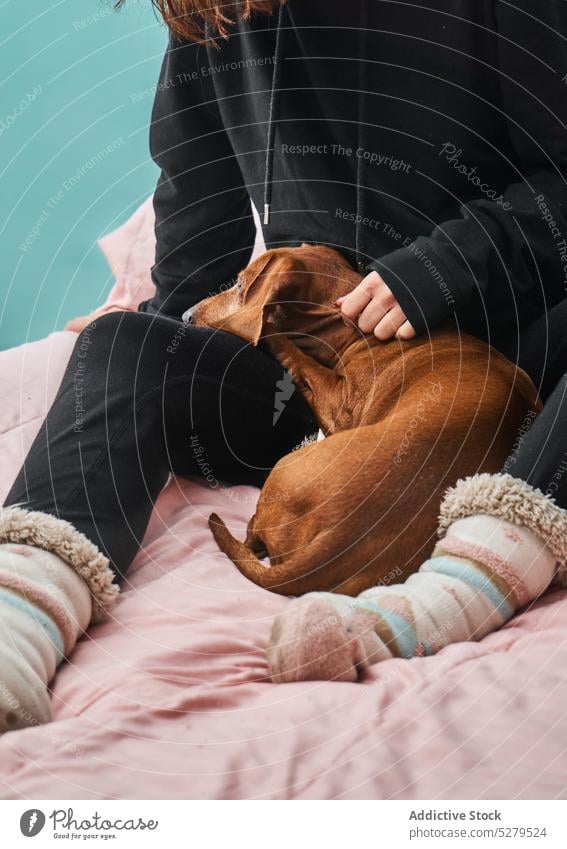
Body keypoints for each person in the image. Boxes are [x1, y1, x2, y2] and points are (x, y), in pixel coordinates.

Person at [1, 1, 567, 726]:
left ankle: (450, 595)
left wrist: (448, 263)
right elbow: (200, 207)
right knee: (123, 345)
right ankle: (21, 611)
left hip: (517, 374)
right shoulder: (216, 8)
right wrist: (160, 328)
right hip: (320, 386)